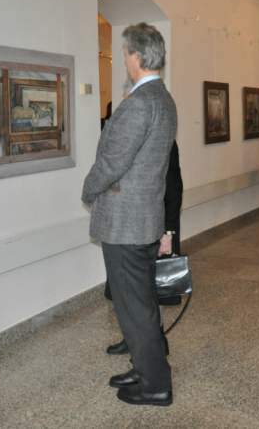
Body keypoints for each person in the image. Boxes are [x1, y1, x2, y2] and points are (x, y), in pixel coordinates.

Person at [81, 22, 175, 407]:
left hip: (126, 222)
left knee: (134, 308)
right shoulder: (162, 98)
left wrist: (88, 189)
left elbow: (112, 163)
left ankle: (155, 385)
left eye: (123, 54)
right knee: (141, 303)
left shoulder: (139, 103)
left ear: (135, 55)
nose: (123, 60)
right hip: (143, 218)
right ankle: (143, 367)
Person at [104, 139, 184, 355]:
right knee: (127, 290)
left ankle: (155, 342)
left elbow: (174, 187)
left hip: (154, 227)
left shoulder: (164, 141)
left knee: (151, 291)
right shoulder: (128, 140)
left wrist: (168, 232)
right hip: (126, 228)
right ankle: (132, 338)